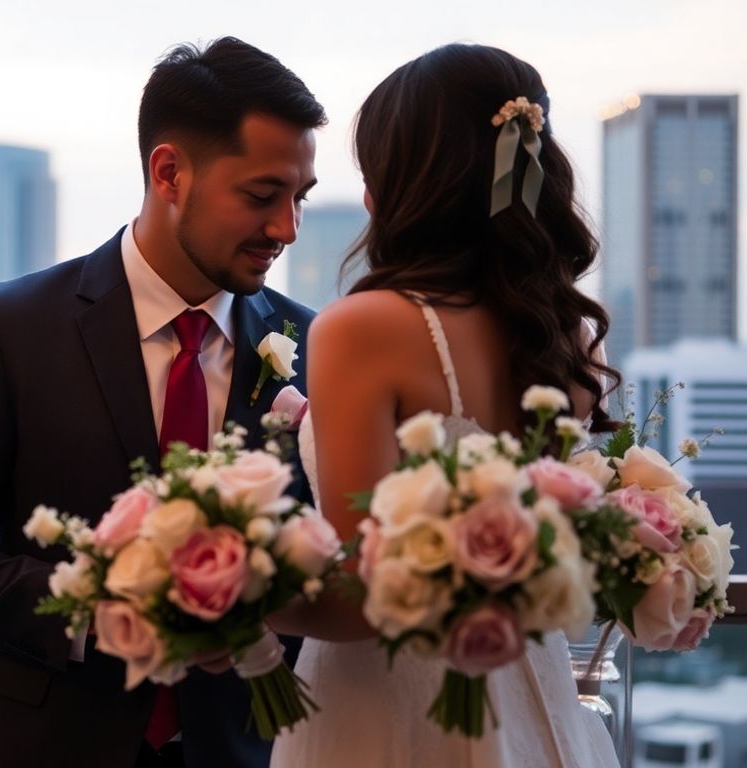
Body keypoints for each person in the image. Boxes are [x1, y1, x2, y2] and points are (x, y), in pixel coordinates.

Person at [0, 37, 323, 768]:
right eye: (261, 196)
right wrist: (103, 603)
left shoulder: (309, 341)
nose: (286, 228)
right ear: (169, 171)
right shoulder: (11, 326)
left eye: (298, 198)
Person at [264, 43, 621, 767]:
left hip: (391, 713)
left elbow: (365, 596)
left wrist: (230, 592)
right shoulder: (567, 331)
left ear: (410, 181)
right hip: (536, 698)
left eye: (374, 171)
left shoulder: (362, 327)